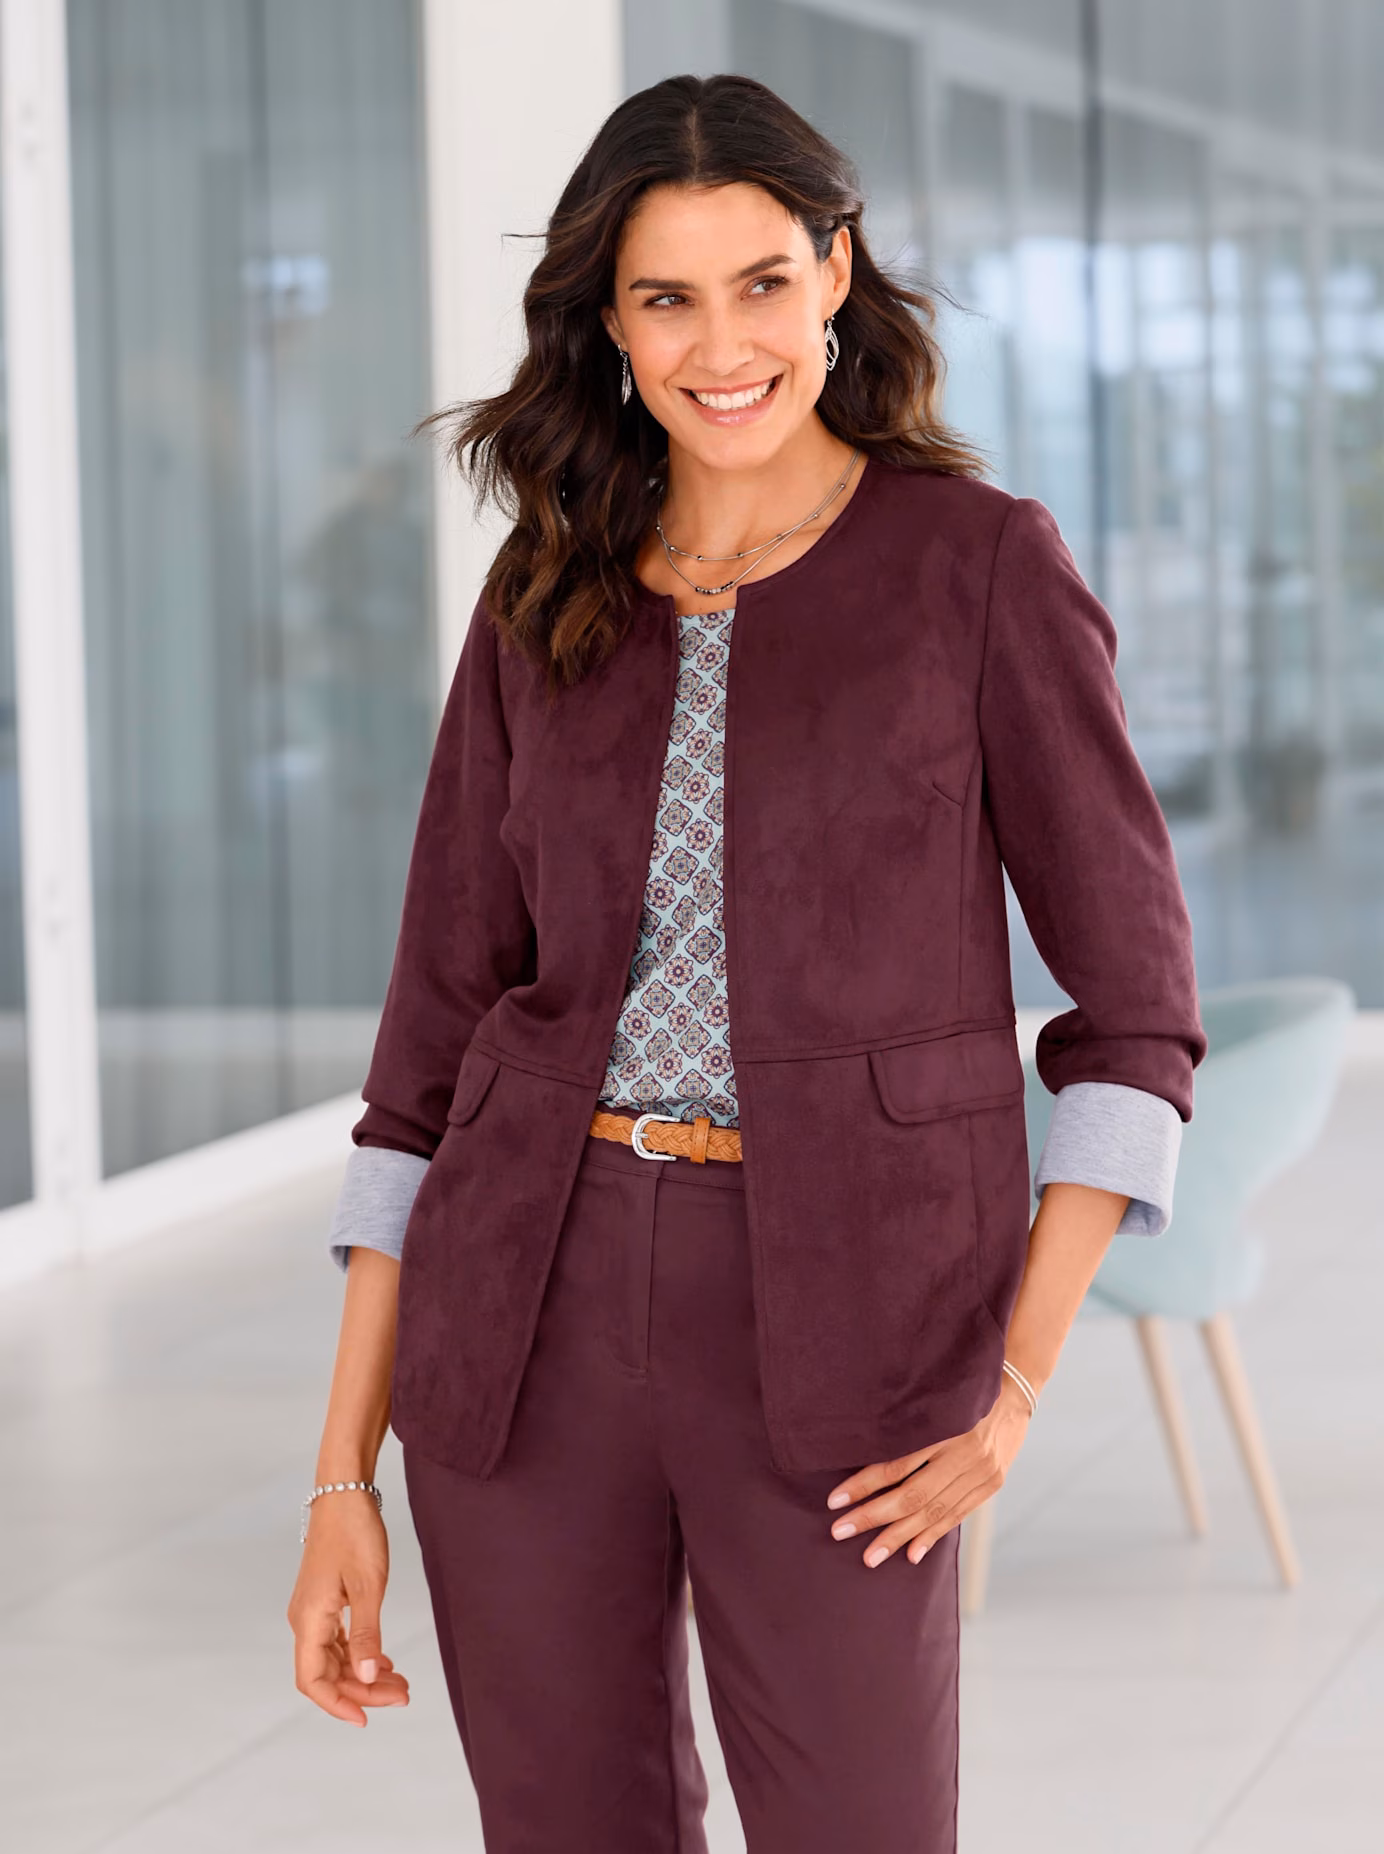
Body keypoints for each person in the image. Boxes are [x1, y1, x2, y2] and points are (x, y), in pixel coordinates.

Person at [287, 71, 1205, 1854]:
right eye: (667, 298)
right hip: (524, 1308)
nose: (723, 346)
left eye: (764, 282)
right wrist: (341, 1471)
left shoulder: (979, 568)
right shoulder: (546, 584)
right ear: (609, 320)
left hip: (864, 1315)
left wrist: (1014, 1385)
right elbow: (425, 1057)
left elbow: (1138, 1018)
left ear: (836, 271)